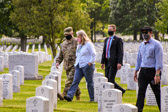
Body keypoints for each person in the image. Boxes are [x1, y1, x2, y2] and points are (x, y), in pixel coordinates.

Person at [134, 26, 163, 112]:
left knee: (157, 93)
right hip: (143, 71)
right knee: (141, 92)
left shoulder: (156, 44)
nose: (144, 34)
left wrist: (157, 74)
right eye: (143, 33)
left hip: (153, 71)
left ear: (151, 33)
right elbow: (139, 59)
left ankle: (163, 109)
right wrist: (136, 71)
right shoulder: (141, 45)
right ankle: (138, 110)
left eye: (146, 32)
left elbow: (159, 60)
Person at [64, 30, 96, 102]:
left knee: (89, 82)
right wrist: (76, 64)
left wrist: (90, 63)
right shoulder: (79, 45)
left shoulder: (89, 44)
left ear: (82, 36)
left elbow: (93, 54)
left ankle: (92, 98)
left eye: (78, 36)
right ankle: (70, 96)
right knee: (75, 81)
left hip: (87, 65)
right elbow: (78, 55)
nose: (77, 38)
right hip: (78, 65)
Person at [56, 27, 81, 100]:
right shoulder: (63, 43)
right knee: (73, 81)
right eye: (65, 35)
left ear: (72, 33)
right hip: (67, 66)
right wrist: (58, 62)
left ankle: (63, 94)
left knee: (69, 81)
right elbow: (61, 54)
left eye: (68, 34)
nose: (67, 36)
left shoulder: (77, 42)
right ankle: (78, 95)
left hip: (75, 65)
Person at [101, 24, 125, 94]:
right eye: (108, 30)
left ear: (114, 30)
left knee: (111, 79)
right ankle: (121, 90)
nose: (109, 31)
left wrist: (119, 62)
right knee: (107, 78)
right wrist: (102, 62)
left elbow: (120, 52)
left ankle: (117, 92)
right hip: (107, 61)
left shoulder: (118, 40)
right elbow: (104, 51)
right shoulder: (106, 40)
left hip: (114, 61)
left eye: (110, 30)